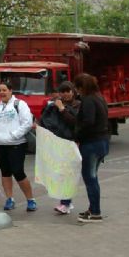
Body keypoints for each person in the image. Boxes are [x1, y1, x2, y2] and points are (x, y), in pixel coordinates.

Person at [0, 81, 37, 212]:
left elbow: (27, 123)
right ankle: (9, 199)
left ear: (11, 90)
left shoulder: (20, 104)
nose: (1, 92)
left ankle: (30, 200)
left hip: (16, 145)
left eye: (4, 90)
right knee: (5, 172)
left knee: (18, 172)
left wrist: (13, 136)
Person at [38, 81, 81, 215]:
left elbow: (75, 123)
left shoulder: (78, 105)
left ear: (73, 91)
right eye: (62, 92)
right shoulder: (54, 105)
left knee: (67, 174)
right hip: (58, 142)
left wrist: (62, 109)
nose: (65, 94)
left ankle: (65, 203)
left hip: (71, 143)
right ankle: (66, 202)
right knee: (60, 173)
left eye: (68, 91)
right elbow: (47, 121)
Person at [73, 73, 111, 223]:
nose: (76, 90)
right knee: (93, 176)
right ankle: (92, 208)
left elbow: (88, 122)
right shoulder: (99, 98)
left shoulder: (88, 100)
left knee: (90, 178)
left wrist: (77, 136)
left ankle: (95, 212)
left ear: (82, 87)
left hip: (91, 143)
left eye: (77, 87)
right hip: (102, 141)